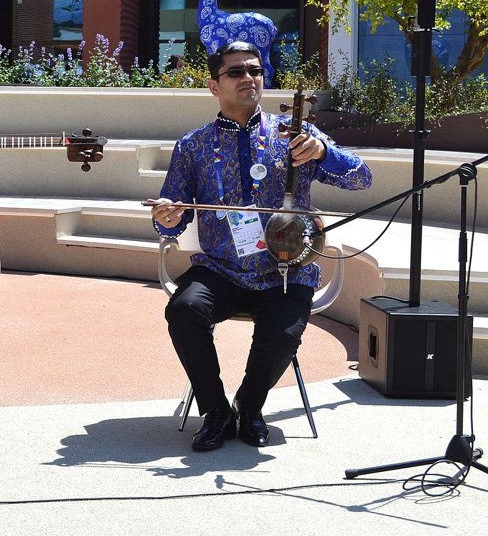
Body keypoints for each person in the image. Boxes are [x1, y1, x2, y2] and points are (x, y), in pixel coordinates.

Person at [147, 41, 372, 451]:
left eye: (255, 70)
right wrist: (166, 216)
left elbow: (362, 178)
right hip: (219, 268)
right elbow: (173, 217)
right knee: (183, 310)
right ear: (214, 86)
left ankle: (249, 407)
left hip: (285, 267)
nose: (248, 78)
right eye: (235, 72)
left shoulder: (295, 133)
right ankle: (215, 411)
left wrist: (324, 152)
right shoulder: (193, 145)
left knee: (283, 333)